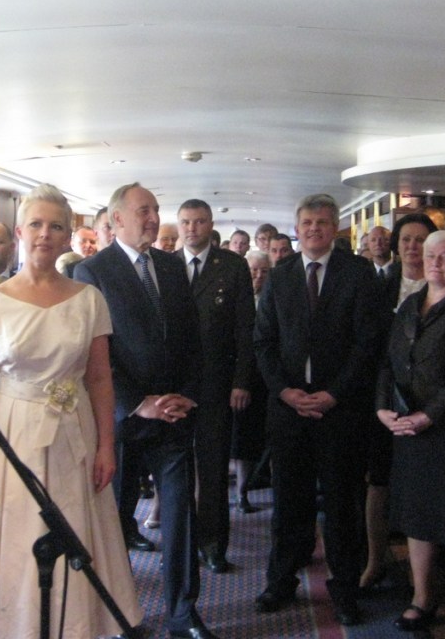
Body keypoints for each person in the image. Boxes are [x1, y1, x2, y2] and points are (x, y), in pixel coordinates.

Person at [0, 184, 142, 638]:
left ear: (68, 235)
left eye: (56, 226)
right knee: (14, 536)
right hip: (10, 431)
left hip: (74, 433)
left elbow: (99, 379)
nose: (45, 234)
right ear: (20, 233)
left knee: (74, 531)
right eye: (36, 224)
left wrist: (107, 446)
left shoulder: (89, 300)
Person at [75, 182, 218, 639]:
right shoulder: (92, 271)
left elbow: (193, 340)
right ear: (117, 219)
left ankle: (183, 613)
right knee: (115, 522)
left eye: (156, 210)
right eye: (144, 211)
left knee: (180, 518)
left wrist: (187, 394)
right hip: (120, 422)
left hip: (174, 416)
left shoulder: (172, 267)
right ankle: (118, 613)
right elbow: (95, 355)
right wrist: (138, 403)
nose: (154, 218)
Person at [253, 193, 380, 625]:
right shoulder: (281, 275)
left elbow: (367, 344)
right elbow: (264, 342)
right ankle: (281, 579)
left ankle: (345, 590)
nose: (314, 229)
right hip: (288, 408)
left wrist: (334, 394)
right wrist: (285, 392)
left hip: (339, 409)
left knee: (343, 505)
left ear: (334, 227)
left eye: (322, 222)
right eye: (307, 222)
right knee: (289, 501)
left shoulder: (358, 273)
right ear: (297, 228)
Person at [377, 230, 445, 638]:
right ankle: (422, 597)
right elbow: (388, 362)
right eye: (429, 256)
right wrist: (382, 408)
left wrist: (430, 416)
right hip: (407, 427)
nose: (435, 263)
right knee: (417, 517)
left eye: (444, 257)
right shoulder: (410, 303)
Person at [360, 211, 438, 593]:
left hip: (432, 406)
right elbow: (372, 349)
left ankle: (429, 572)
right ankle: (376, 560)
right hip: (385, 400)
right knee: (379, 480)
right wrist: (380, 403)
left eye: (421, 240)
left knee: (427, 485)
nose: (412, 246)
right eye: (406, 239)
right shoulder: (380, 287)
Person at [177, 198, 255, 574]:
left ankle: (212, 544)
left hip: (217, 383)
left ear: (210, 225)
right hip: (175, 385)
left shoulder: (233, 266)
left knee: (212, 468)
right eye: (186, 222)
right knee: (177, 470)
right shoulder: (166, 265)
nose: (192, 228)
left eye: (199, 221)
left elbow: (245, 329)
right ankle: (181, 540)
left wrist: (241, 380)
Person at [232, 250, 271, 513]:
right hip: (243, 378)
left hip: (270, 379)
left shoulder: (275, 297)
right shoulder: (236, 298)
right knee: (242, 439)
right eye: (253, 270)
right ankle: (241, 492)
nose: (258, 276)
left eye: (263, 271)